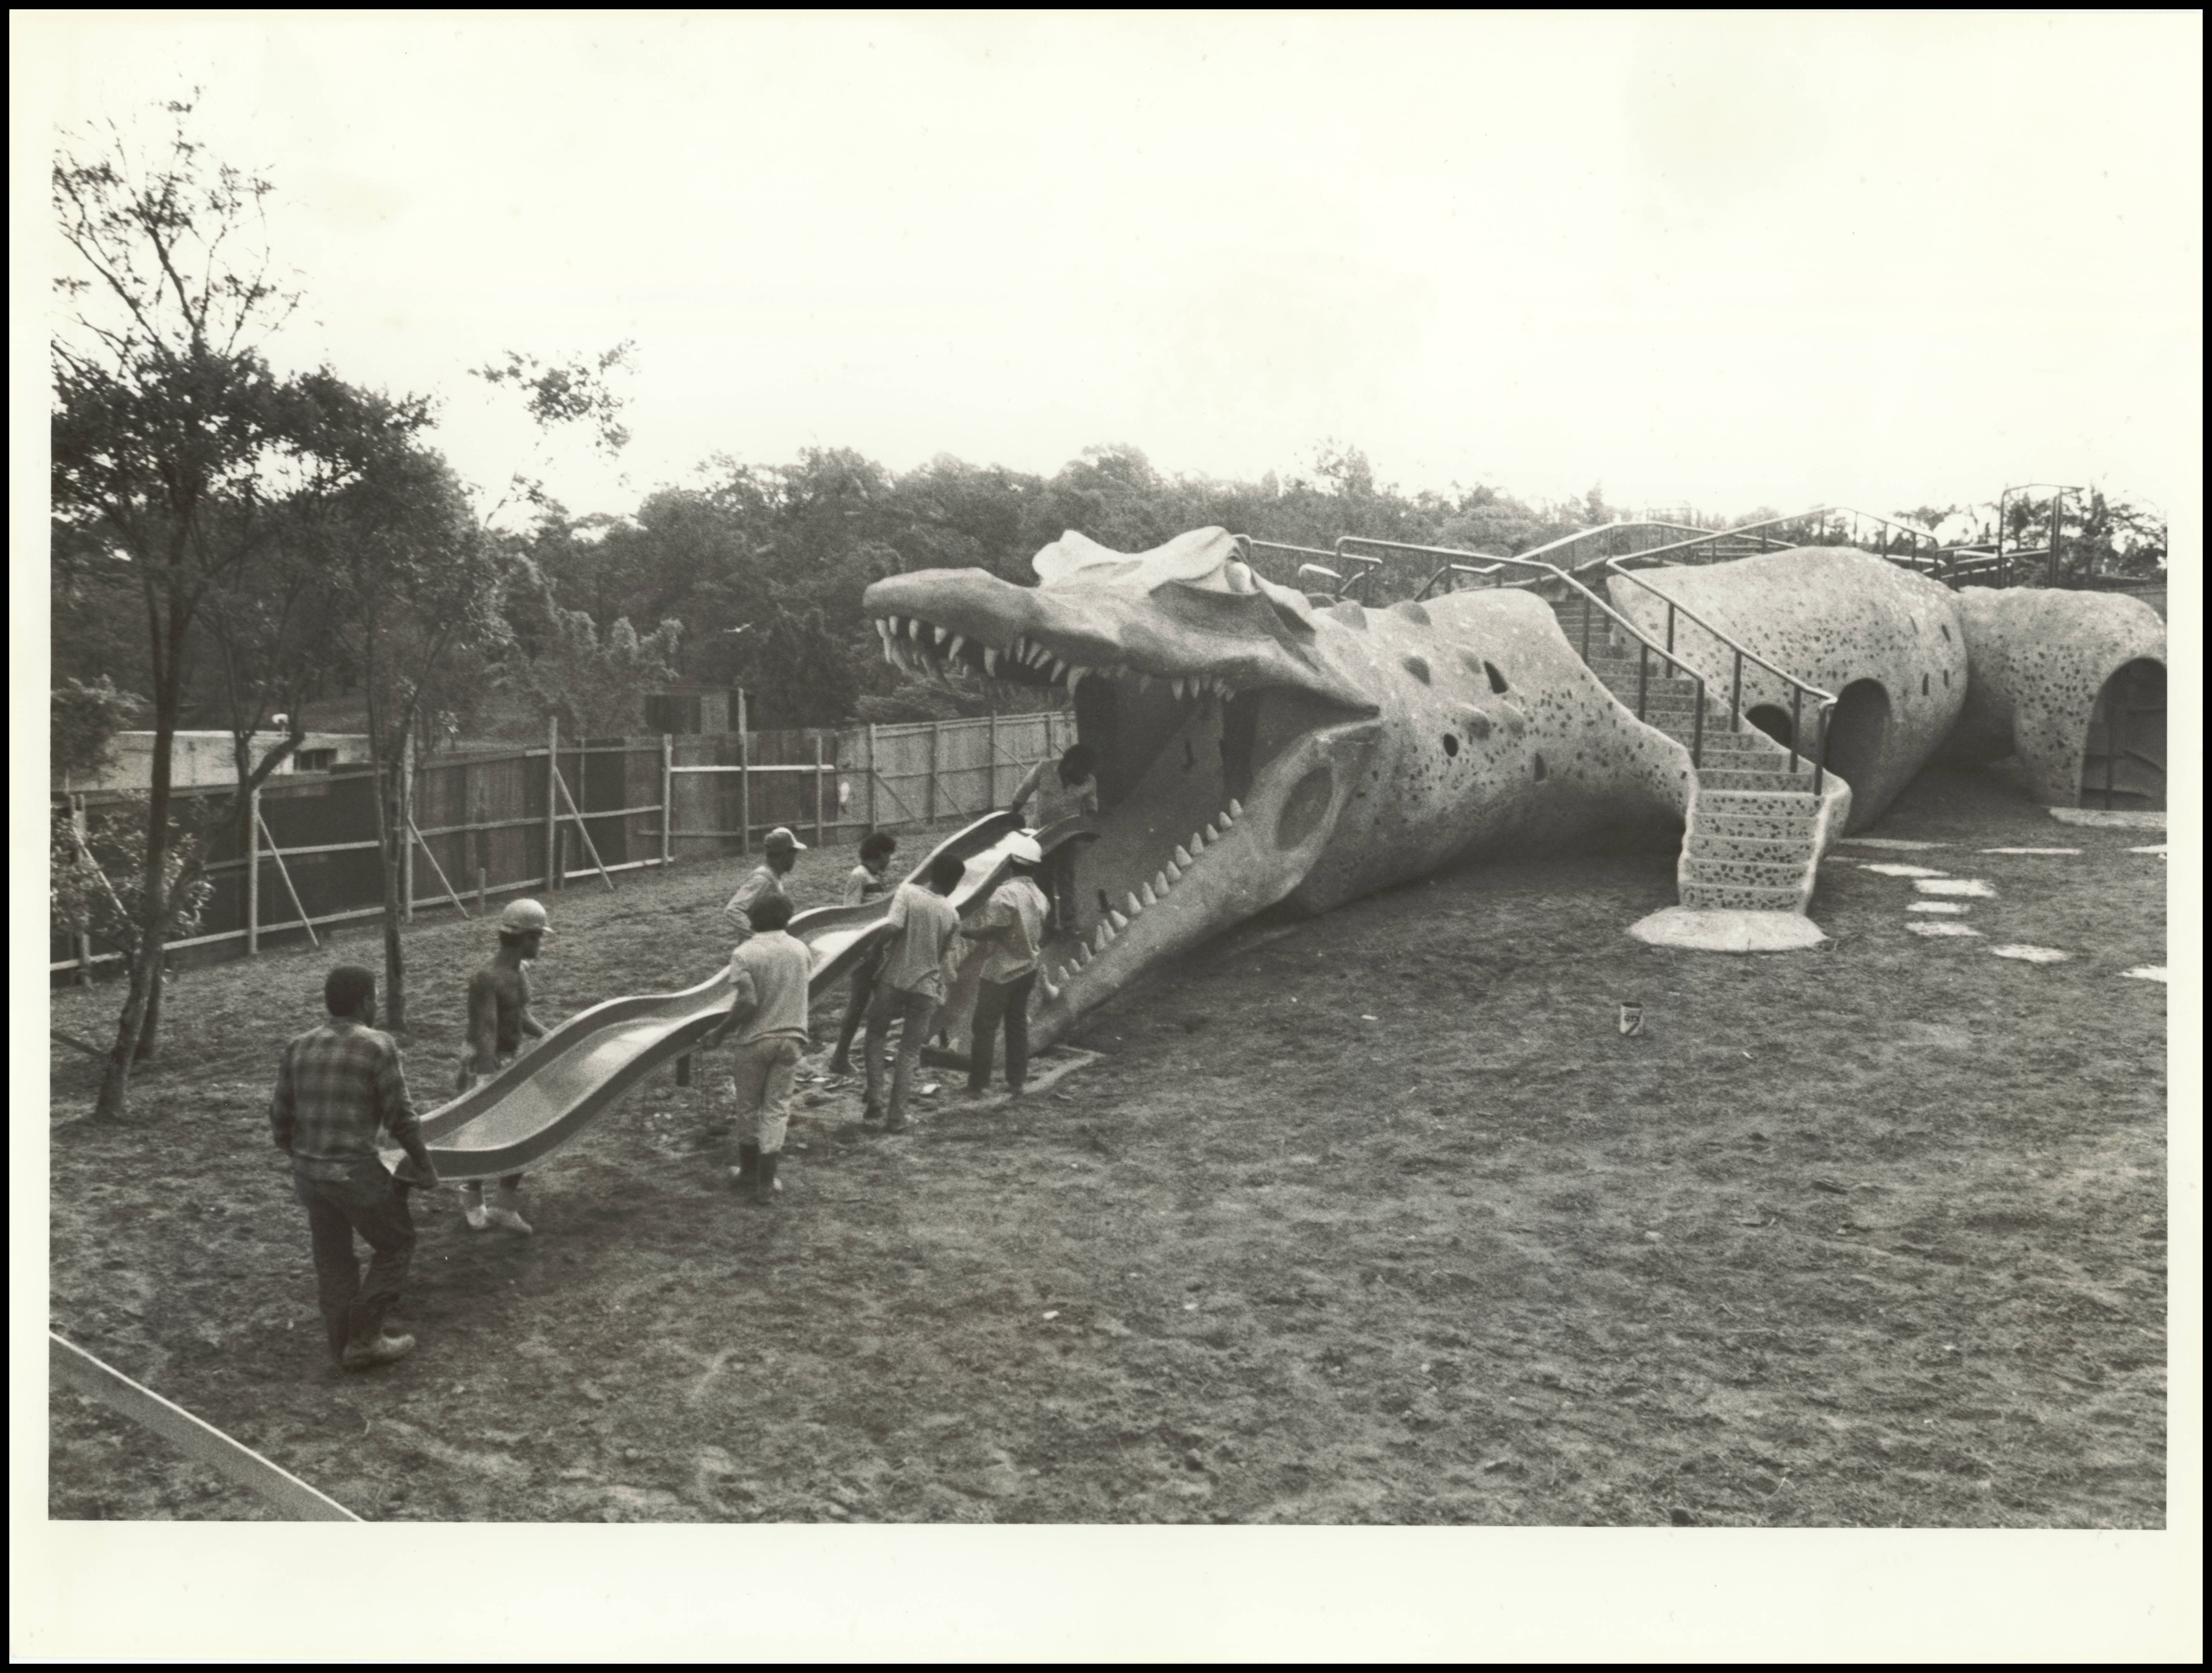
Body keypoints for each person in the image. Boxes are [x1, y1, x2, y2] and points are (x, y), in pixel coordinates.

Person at [269, 964, 438, 1372]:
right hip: (353, 1173)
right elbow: (401, 1117)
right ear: (365, 1002)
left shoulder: (299, 1046)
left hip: (310, 1174)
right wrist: (424, 1165)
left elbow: (280, 1115)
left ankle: (341, 1343)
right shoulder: (377, 1045)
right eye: (375, 998)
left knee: (333, 1258)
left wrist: (301, 1156)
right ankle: (364, 1339)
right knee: (396, 1244)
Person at [701, 894, 814, 1204]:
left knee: (748, 1107)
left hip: (754, 1041)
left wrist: (721, 1031)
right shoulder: (800, 949)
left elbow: (748, 1002)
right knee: (776, 1109)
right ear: (787, 918)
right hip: (791, 1037)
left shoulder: (745, 953)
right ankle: (767, 1183)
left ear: (752, 920)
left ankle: (748, 1173)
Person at [455, 897, 551, 1233]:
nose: (540, 945)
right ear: (523, 938)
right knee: (482, 1132)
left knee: (526, 1130)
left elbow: (521, 1016)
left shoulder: (519, 972)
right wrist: (487, 1079)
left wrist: (550, 1036)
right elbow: (486, 1030)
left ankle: (505, 1205)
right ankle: (472, 1198)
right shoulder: (486, 978)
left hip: (509, 1058)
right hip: (485, 1060)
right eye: (537, 938)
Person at [862, 852, 965, 1131]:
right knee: (909, 1052)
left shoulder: (907, 892)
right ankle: (897, 1118)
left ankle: (875, 1096)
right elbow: (942, 955)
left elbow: (893, 927)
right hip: (925, 988)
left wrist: (876, 949)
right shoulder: (952, 915)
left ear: (931, 874)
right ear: (955, 884)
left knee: (876, 1034)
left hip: (894, 980)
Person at [961, 834, 1050, 1097]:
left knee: (985, 1027)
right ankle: (1016, 1080)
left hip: (1001, 970)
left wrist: (965, 930)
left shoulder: (1005, 894)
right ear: (1035, 866)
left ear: (1011, 863)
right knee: (1017, 1023)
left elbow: (995, 930)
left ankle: (978, 1084)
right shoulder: (1040, 896)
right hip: (1028, 967)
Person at [828, 831, 899, 1078]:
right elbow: (851, 915)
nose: (890, 860)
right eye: (889, 854)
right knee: (859, 1004)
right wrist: (863, 951)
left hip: (877, 950)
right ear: (879, 854)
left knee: (882, 1004)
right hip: (865, 952)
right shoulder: (859, 876)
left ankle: (873, 1052)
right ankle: (840, 1057)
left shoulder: (874, 877)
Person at [1008, 743, 1098, 931]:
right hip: (1042, 834)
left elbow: (1091, 806)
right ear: (1069, 763)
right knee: (1043, 880)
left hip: (1068, 836)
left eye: (1087, 772)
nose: (1084, 776)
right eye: (1081, 771)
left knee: (1066, 878)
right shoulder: (1044, 768)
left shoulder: (1089, 781)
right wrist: (1012, 818)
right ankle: (1048, 926)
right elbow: (1023, 792)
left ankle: (1069, 924)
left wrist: (1086, 825)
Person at [724, 826, 806, 938]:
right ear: (784, 855)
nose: (794, 859)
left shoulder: (773, 876)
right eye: (794, 853)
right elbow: (733, 910)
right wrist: (758, 937)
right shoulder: (763, 879)